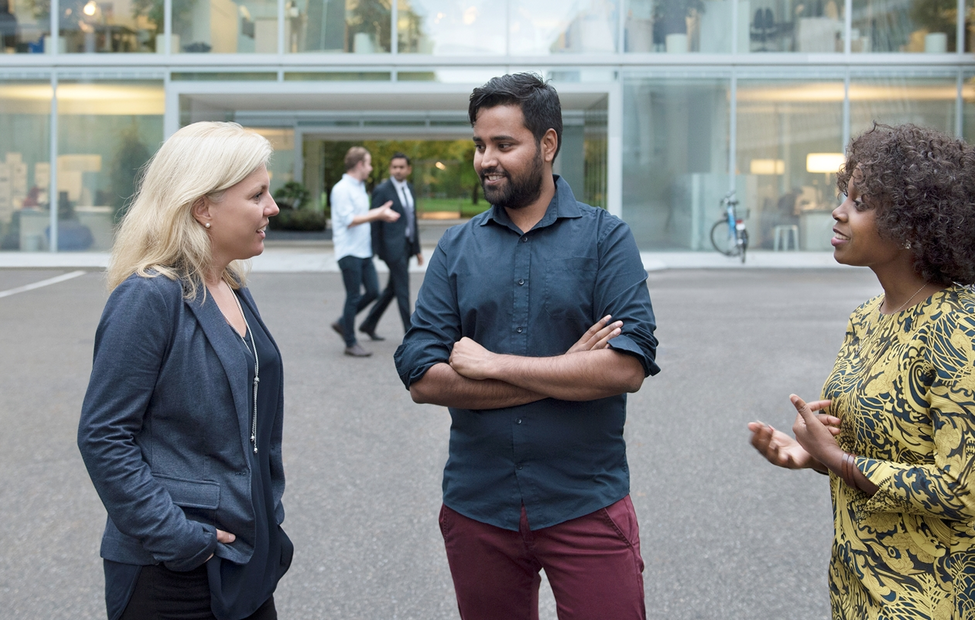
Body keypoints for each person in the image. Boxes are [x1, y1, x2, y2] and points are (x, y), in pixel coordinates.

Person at [394, 73, 660, 620]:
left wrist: (494, 365)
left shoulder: (606, 238)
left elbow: (625, 368)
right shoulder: (456, 246)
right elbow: (421, 376)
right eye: (479, 145)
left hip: (585, 503)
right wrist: (567, 370)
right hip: (479, 507)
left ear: (547, 143)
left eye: (503, 144)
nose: (485, 160)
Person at [747, 123, 975, 620]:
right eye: (844, 196)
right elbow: (885, 450)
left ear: (912, 225)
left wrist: (838, 458)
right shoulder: (866, 319)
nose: (839, 211)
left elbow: (962, 488)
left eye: (861, 202)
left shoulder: (961, 328)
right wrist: (815, 456)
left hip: (930, 598)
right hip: (856, 588)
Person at [77, 121, 292, 620]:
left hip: (245, 552)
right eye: (257, 194)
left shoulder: (230, 284)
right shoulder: (149, 296)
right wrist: (178, 537)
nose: (272, 207)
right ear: (202, 208)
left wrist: (267, 514)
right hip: (172, 573)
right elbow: (104, 435)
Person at [328, 146, 399, 357]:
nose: (371, 168)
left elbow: (361, 215)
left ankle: (343, 322)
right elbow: (349, 220)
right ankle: (350, 342)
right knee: (353, 296)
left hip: (363, 251)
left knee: (373, 291)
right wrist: (378, 214)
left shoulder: (359, 187)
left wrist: (379, 212)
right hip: (348, 251)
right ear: (359, 164)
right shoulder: (341, 189)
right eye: (368, 163)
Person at [358, 152, 423, 340]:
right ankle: (410, 333)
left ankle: (368, 324)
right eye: (394, 167)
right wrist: (376, 250)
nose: (398, 170)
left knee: (392, 289)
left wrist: (417, 249)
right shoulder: (382, 190)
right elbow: (374, 222)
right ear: (390, 169)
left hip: (407, 246)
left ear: (408, 169)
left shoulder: (410, 189)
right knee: (403, 289)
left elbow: (412, 220)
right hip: (391, 248)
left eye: (401, 167)